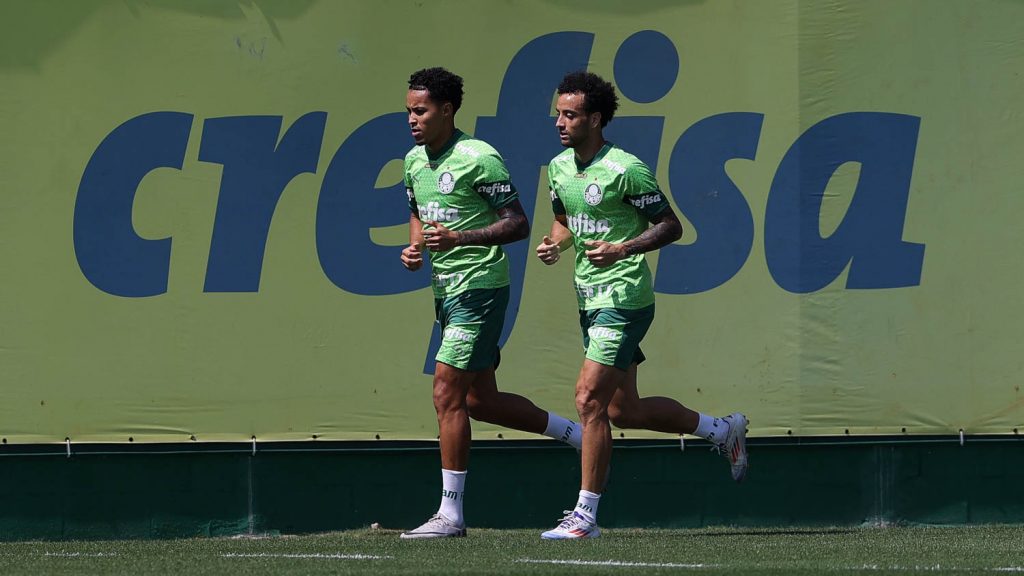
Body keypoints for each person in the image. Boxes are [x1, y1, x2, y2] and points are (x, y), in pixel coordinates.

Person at [535, 71, 749, 540]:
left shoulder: (625, 168)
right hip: (589, 297)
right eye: (558, 114)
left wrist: (623, 248)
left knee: (588, 399)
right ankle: (722, 431)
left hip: (625, 297)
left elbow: (671, 226)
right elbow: (565, 220)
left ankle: (584, 517)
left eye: (570, 115)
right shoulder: (558, 168)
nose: (560, 122)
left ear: (595, 118)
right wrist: (556, 244)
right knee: (621, 410)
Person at [398, 67, 583, 539]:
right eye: (409, 111)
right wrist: (416, 247)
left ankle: (451, 514)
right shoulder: (414, 162)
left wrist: (459, 237)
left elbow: (517, 224)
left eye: (420, 111)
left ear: (446, 110)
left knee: (445, 392)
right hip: (445, 290)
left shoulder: (479, 157)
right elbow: (418, 212)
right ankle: (574, 435)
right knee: (480, 400)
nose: (412, 119)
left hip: (480, 289)